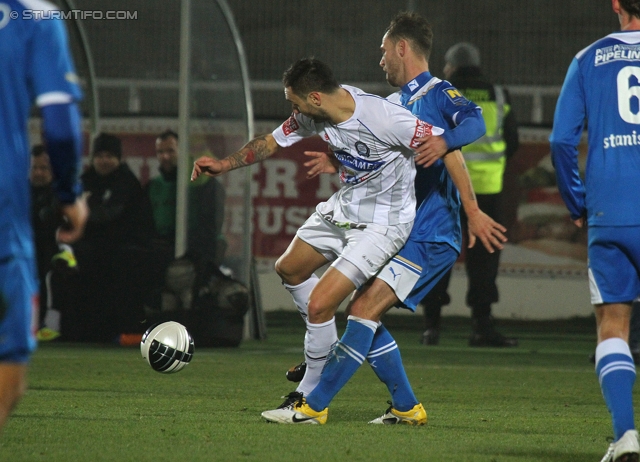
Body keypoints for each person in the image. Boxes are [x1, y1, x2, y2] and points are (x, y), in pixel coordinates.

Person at [260, 12, 507, 425]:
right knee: (363, 311)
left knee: (362, 310)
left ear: (401, 48)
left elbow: (466, 134)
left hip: (432, 233)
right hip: (404, 229)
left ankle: (313, 404)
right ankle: (406, 407)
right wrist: (336, 157)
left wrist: (473, 210)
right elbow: (379, 157)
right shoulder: (393, 105)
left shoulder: (437, 92)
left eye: (383, 51)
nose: (380, 61)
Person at [193, 56, 464, 409]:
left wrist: (471, 210)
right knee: (289, 268)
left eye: (295, 102)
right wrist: (225, 164)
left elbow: (448, 147)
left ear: (316, 98)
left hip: (383, 225)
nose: (293, 110)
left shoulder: (383, 117)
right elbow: (270, 142)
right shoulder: (312, 116)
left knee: (322, 304)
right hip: (344, 209)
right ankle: (338, 351)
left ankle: (308, 392)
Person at [550, 1, 640, 459]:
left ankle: (626, 435)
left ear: (616, 5)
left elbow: (562, 140)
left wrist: (576, 202)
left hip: (611, 210)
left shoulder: (588, 58)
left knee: (613, 325)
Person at [0, 0, 88, 434]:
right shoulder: (35, 17)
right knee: (7, 377)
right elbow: (59, 122)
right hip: (3, 213)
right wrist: (70, 194)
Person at [420, 41, 520, 348]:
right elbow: (512, 141)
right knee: (484, 259)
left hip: (446, 188)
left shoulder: (441, 93)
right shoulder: (498, 93)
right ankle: (481, 326)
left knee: (439, 254)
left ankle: (432, 327)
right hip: (487, 191)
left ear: (450, 67)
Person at [68, 133, 153, 342]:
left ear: (118, 159)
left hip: (124, 248)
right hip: (91, 248)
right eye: (100, 155)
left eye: (109, 156)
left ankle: (120, 331)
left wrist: (86, 211)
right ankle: (79, 331)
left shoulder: (127, 182)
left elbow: (111, 214)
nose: (104, 160)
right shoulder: (86, 180)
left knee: (115, 266)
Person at [145, 130, 227, 313]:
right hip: (164, 246)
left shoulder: (203, 184)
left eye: (170, 151)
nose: (165, 157)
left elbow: (210, 226)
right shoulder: (153, 187)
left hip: (200, 246)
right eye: (160, 152)